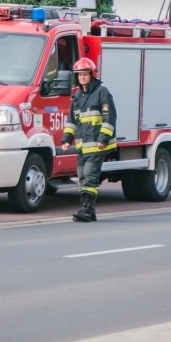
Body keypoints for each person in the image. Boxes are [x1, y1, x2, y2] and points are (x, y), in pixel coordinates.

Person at [61, 57, 117, 222]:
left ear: (92, 75)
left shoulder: (102, 92)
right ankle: (90, 212)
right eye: (79, 75)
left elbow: (109, 118)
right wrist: (66, 139)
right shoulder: (77, 96)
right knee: (82, 176)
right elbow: (72, 121)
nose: (82, 77)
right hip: (82, 145)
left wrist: (104, 139)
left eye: (85, 74)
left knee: (89, 175)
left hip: (96, 145)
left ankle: (85, 210)